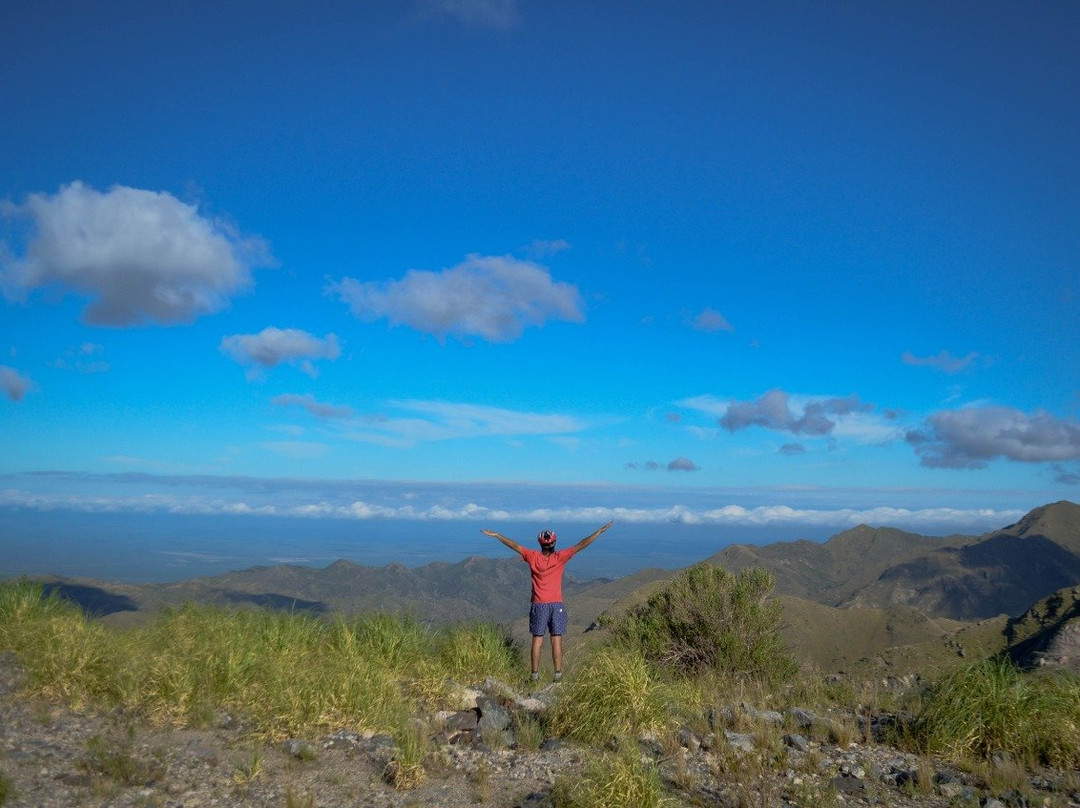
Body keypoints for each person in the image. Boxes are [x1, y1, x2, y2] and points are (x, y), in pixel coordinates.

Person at [482, 521, 614, 682]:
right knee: (556, 639)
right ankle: (558, 675)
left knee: (537, 640)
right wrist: (599, 531)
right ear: (554, 543)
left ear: (540, 543)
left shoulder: (532, 557)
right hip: (556, 604)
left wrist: (497, 535)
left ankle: (534, 675)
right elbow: (581, 544)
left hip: (539, 605)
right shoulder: (560, 557)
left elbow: (514, 545)